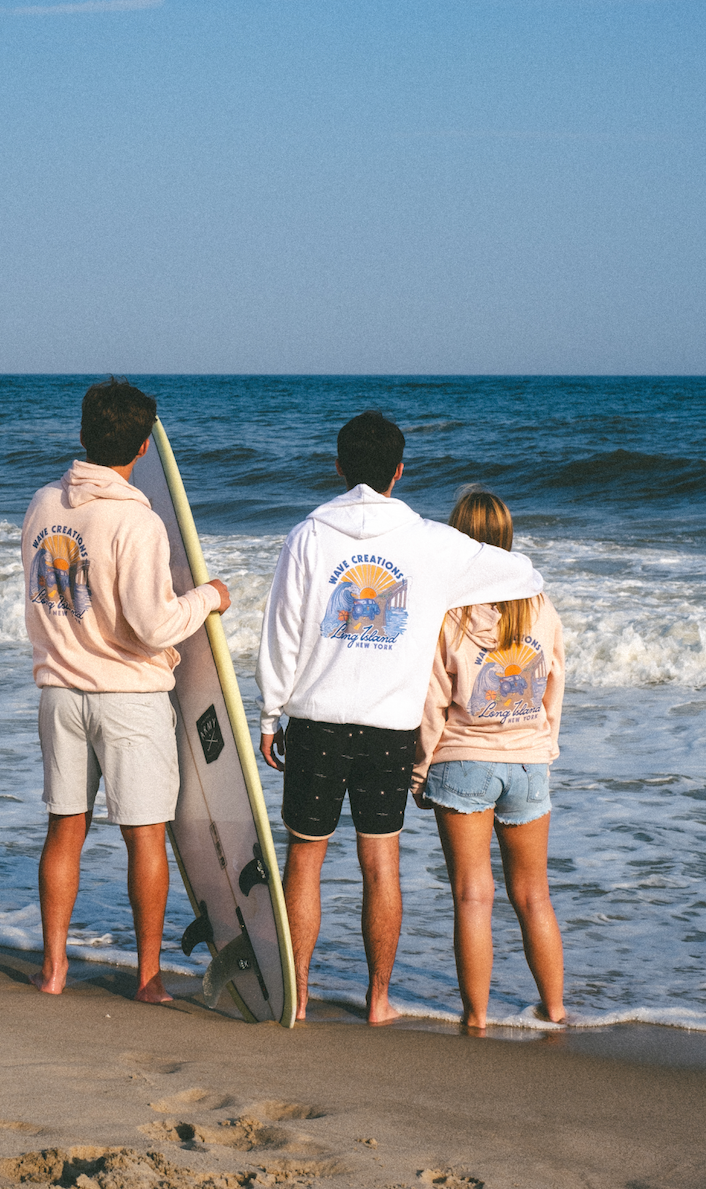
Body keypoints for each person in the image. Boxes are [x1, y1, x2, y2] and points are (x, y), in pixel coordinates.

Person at [257, 410, 544, 1023]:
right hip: (391, 728)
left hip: (315, 720)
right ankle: (380, 999)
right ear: (399, 471)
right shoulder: (430, 542)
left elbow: (280, 632)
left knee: (304, 859)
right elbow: (523, 571)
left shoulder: (308, 534)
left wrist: (269, 712)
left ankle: (298, 994)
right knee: (380, 863)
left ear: (337, 468)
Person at [22, 378, 231, 1004]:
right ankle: (146, 978)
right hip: (129, 699)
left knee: (65, 829)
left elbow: (42, 599)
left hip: (59, 691)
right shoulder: (135, 520)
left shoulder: (41, 505)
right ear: (143, 447)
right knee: (144, 834)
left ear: (84, 435)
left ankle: (54, 969)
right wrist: (210, 597)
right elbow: (154, 624)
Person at [412, 488, 565, 1030]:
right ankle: (556, 1009)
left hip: (461, 760)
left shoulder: (448, 611)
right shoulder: (539, 604)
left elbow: (433, 701)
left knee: (473, 896)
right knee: (534, 895)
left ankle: (476, 1017)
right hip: (528, 760)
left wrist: (419, 768)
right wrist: (545, 745)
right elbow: (553, 683)